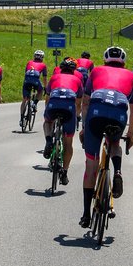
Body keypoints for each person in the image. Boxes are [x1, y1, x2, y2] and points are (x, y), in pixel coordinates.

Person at [78, 45, 133, 228]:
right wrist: (130, 135)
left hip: (96, 113)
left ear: (105, 60)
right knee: (114, 143)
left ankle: (86, 215)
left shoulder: (96, 71)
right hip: (119, 113)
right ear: (124, 61)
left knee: (91, 166)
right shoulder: (131, 76)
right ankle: (118, 171)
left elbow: (85, 102)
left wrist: (84, 128)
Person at [43, 57, 85, 185]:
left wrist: (48, 112)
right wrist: (77, 116)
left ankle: (49, 140)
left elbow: (47, 97)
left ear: (61, 68)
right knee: (68, 143)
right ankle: (65, 172)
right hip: (69, 108)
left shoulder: (54, 77)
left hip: (54, 104)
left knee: (48, 122)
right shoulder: (78, 80)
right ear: (74, 70)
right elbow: (78, 103)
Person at [21, 50, 48, 129]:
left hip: (27, 81)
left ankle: (21, 119)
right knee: (40, 91)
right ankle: (35, 103)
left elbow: (26, 73)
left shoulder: (29, 62)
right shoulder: (43, 65)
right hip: (36, 81)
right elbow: (45, 78)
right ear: (42, 57)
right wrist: (45, 87)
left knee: (24, 100)